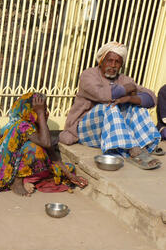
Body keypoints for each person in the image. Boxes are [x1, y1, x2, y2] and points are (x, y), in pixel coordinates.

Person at [59, 41, 162, 169]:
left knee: (136, 106)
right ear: (101, 61)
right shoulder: (88, 75)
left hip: (108, 133)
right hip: (85, 130)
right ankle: (132, 150)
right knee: (109, 106)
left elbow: (151, 98)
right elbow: (103, 95)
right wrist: (127, 89)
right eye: (109, 60)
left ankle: (145, 143)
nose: (113, 65)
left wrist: (130, 97)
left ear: (121, 65)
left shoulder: (124, 79)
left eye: (117, 62)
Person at [0, 92, 88, 196]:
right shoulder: (22, 125)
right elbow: (45, 143)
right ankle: (16, 181)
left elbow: (50, 151)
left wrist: (70, 175)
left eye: (45, 109)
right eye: (42, 109)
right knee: (35, 150)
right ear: (30, 110)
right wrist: (41, 115)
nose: (46, 113)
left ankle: (27, 180)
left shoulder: (35, 124)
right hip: (7, 172)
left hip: (24, 166)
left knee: (69, 169)